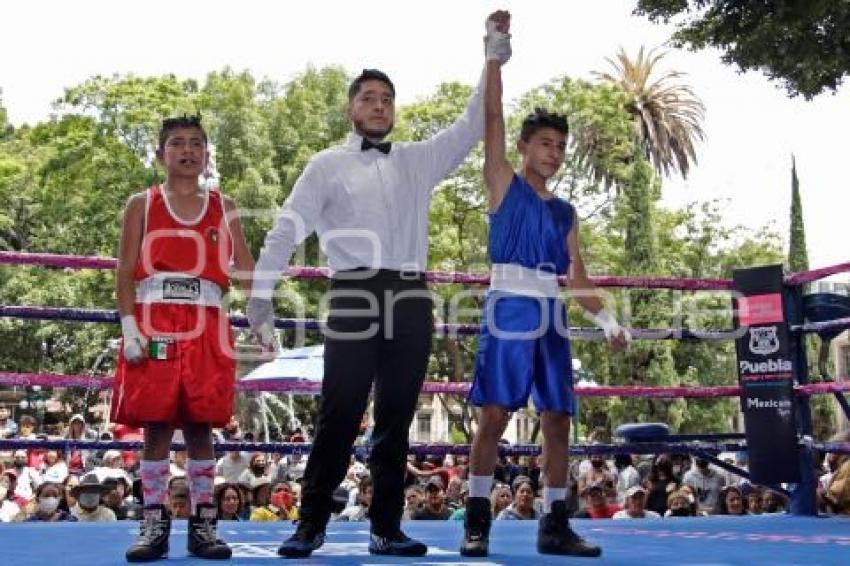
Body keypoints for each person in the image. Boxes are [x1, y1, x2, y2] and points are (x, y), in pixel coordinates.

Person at [247, 12, 502, 560]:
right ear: (351, 108)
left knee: (396, 417)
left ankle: (386, 527)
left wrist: (492, 53)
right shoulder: (325, 165)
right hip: (354, 293)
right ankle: (310, 523)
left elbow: (472, 123)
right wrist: (260, 294)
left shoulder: (418, 159)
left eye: (386, 97)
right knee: (339, 410)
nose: (379, 104)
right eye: (368, 96)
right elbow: (287, 227)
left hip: (410, 293)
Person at [460, 12, 629, 560]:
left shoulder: (566, 213)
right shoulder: (502, 182)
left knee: (558, 418)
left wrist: (606, 320)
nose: (553, 153)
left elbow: (577, 279)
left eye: (560, 146)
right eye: (545, 143)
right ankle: (479, 519)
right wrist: (494, 51)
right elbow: (492, 116)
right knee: (495, 416)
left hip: (552, 315)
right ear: (527, 147)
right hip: (508, 306)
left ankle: (555, 522)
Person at [113, 114, 255, 561]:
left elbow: (247, 268)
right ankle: (153, 523)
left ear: (207, 154)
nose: (188, 150)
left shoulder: (224, 206)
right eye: (178, 142)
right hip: (155, 319)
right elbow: (123, 271)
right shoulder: (142, 204)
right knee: (156, 425)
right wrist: (130, 327)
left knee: (200, 426)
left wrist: (262, 312)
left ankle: (204, 526)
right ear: (161, 153)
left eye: (196, 142)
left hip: (208, 320)